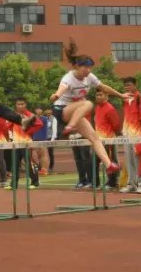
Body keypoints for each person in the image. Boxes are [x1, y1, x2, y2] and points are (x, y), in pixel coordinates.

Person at [49, 41, 124, 180]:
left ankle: (109, 165)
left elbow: (104, 87)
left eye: (90, 68)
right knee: (88, 103)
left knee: (94, 137)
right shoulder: (68, 78)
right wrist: (56, 95)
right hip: (61, 110)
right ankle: (70, 126)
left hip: (76, 112)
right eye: (85, 68)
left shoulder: (90, 77)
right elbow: (62, 88)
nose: (88, 71)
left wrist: (121, 95)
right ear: (77, 66)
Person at [119, 76, 141, 194]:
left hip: (138, 134)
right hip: (127, 134)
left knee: (139, 161)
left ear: (135, 85)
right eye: (125, 86)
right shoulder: (125, 99)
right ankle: (131, 184)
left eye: (129, 85)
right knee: (129, 161)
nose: (127, 88)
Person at [6, 97, 44, 190]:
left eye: (22, 104)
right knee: (15, 164)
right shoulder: (14, 115)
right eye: (18, 104)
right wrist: (13, 134)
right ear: (16, 105)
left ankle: (35, 182)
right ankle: (13, 184)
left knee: (29, 163)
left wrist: (29, 131)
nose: (20, 106)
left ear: (25, 105)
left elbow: (39, 124)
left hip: (27, 143)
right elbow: (9, 126)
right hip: (16, 143)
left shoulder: (30, 115)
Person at [93, 87, 121, 190]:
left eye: (101, 95)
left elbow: (116, 125)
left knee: (110, 160)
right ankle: (96, 183)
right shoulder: (97, 108)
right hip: (98, 140)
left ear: (106, 96)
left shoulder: (110, 108)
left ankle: (112, 182)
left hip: (108, 139)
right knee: (95, 161)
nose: (98, 97)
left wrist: (113, 136)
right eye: (97, 95)